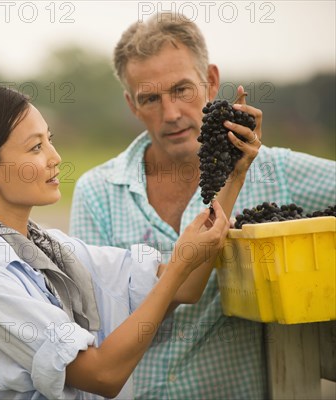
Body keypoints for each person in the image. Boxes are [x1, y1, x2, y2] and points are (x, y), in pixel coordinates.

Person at [0, 85, 262, 399]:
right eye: (35, 148)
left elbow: (183, 288)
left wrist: (233, 172)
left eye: (50, 140)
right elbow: (102, 375)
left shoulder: (50, 249)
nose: (55, 157)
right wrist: (181, 263)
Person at [69, 12, 336, 399]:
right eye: (150, 98)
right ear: (131, 104)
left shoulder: (271, 169)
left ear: (210, 81)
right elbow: (98, 325)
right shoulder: (98, 191)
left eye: (182, 90)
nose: (172, 113)